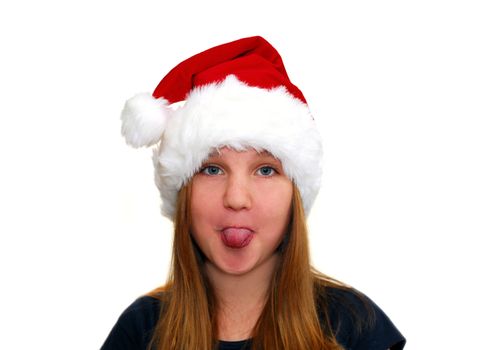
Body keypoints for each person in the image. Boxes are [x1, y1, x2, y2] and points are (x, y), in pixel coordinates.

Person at [102, 36, 406, 350]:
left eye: (265, 170)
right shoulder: (141, 330)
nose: (236, 198)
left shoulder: (354, 325)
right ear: (183, 193)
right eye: (212, 169)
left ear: (295, 195)